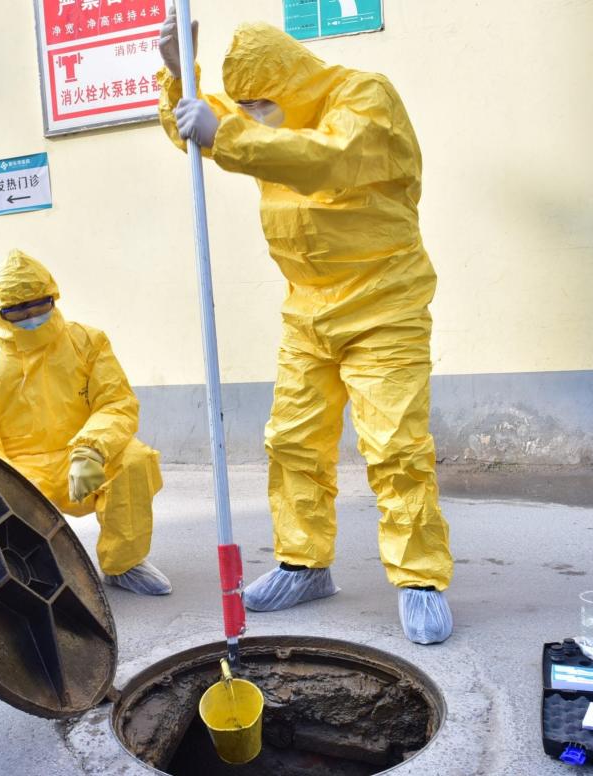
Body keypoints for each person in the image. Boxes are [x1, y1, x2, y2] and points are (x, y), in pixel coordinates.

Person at [157, 12, 454, 644]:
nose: (251, 116)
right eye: (245, 108)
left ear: (291, 85)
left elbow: (329, 159)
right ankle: (304, 564)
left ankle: (420, 579)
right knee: (292, 441)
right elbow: (204, 128)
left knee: (395, 447)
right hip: (307, 310)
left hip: (385, 304)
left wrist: (229, 134)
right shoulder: (270, 119)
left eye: (262, 104)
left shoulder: (364, 96)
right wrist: (182, 76)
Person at [0, 249, 171, 596]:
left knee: (134, 461)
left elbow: (116, 402)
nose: (30, 315)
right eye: (18, 309)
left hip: (80, 457)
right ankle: (30, 572)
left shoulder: (88, 342)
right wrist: (2, 478)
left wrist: (92, 449)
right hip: (20, 469)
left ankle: (123, 564)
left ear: (53, 297)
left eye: (38, 305)